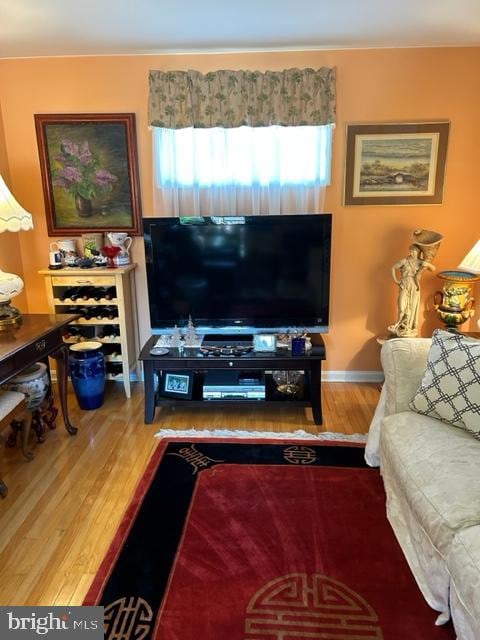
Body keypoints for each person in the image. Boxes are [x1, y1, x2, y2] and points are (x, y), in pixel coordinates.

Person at [387, 244, 435, 337]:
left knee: (412, 307)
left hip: (414, 286)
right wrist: (396, 281)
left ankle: (407, 327)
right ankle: (398, 325)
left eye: (414, 251)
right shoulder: (405, 261)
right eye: (411, 251)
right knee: (402, 307)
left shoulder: (421, 262)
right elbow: (393, 268)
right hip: (404, 285)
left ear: (418, 253)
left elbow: (433, 269)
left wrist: (428, 264)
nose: (412, 253)